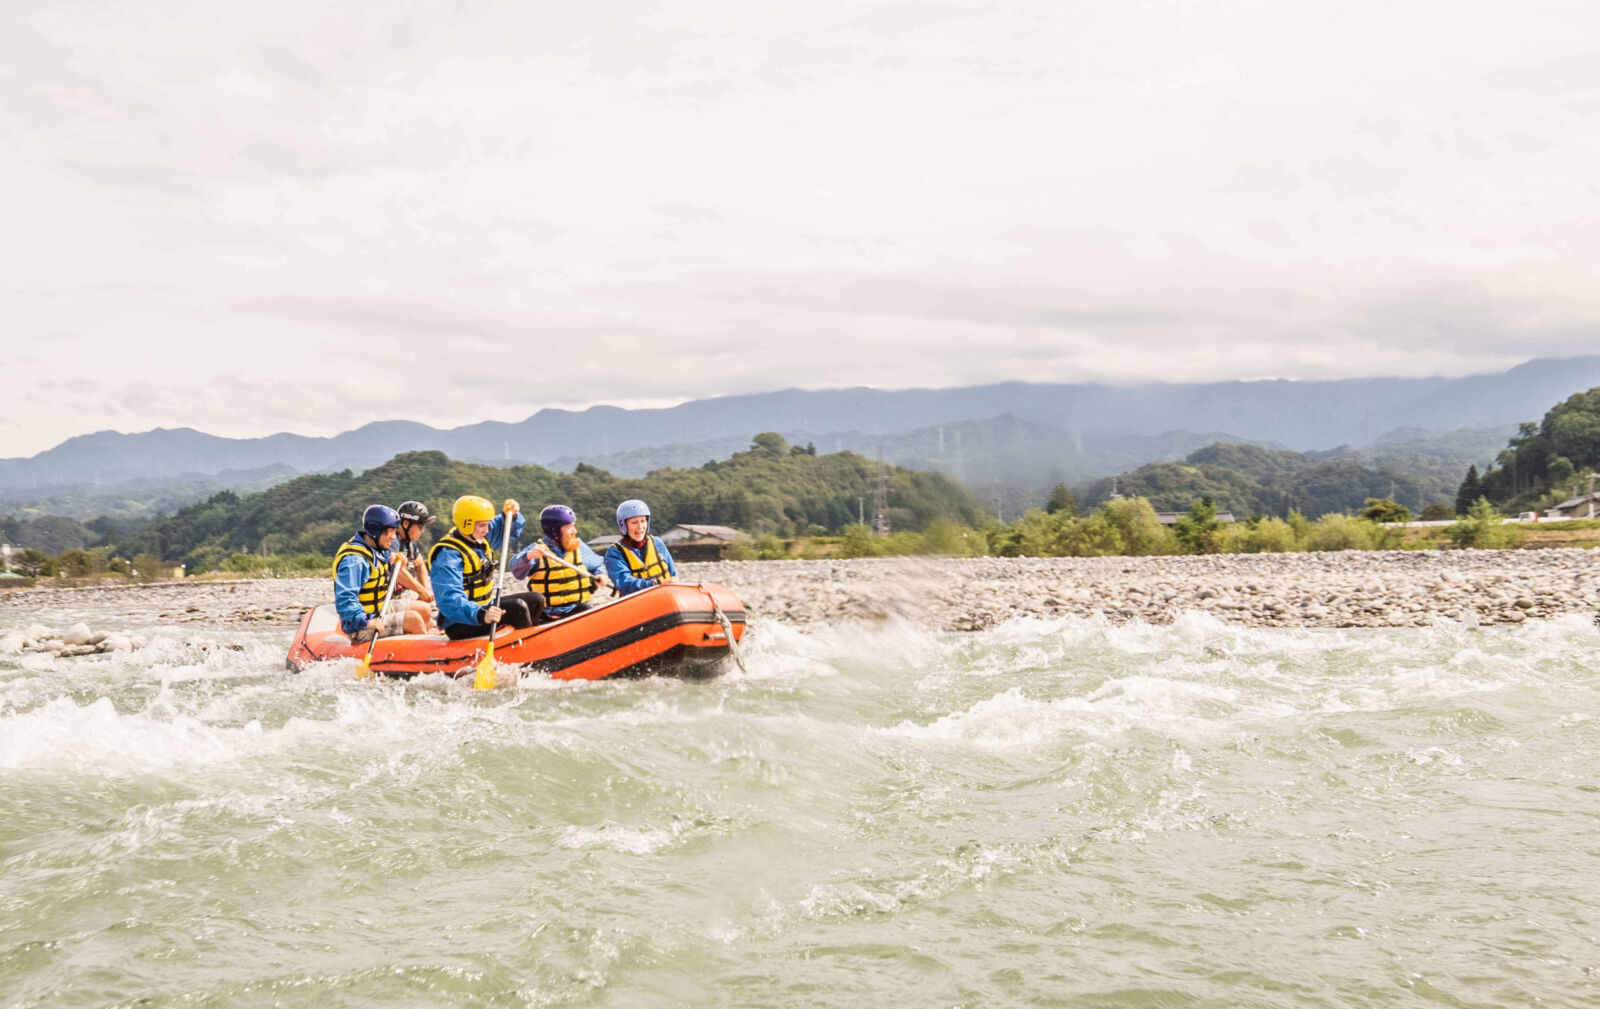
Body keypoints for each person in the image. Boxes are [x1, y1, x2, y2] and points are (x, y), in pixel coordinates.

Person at [428, 495, 542, 640]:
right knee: (517, 607)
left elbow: (504, 527)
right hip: (461, 622)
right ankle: (528, 650)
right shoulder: (448, 556)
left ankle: (531, 640)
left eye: (487, 524)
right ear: (466, 524)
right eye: (482, 525)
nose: (487, 530)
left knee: (536, 600)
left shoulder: (477, 537)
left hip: (484, 608)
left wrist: (511, 515)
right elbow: (449, 600)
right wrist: (481, 614)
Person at [333, 504, 427, 642]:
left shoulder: (377, 549)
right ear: (375, 531)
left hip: (379, 611)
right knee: (414, 619)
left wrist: (395, 558)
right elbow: (345, 598)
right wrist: (365, 622)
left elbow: (386, 559)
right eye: (390, 532)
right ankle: (426, 655)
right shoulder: (355, 561)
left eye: (395, 532)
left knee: (424, 609)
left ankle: (425, 638)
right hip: (361, 625)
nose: (393, 537)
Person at [510, 504, 613, 621]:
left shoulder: (579, 547)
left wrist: (600, 573)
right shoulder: (536, 549)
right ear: (555, 531)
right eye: (570, 527)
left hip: (577, 609)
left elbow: (596, 564)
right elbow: (515, 570)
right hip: (545, 614)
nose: (575, 530)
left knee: (585, 607)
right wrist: (527, 557)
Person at [603, 499, 678, 597]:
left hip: (666, 597)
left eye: (643, 521)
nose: (640, 527)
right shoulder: (614, 553)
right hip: (637, 603)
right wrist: (655, 583)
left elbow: (673, 575)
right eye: (634, 522)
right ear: (623, 525)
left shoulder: (657, 543)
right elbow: (624, 584)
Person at [392, 500, 437, 631]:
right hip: (386, 599)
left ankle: (429, 630)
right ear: (406, 524)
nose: (422, 531)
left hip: (401, 595)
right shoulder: (393, 540)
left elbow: (420, 564)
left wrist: (424, 591)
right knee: (424, 610)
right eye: (420, 526)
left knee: (427, 607)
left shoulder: (409, 544)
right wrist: (421, 591)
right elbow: (397, 571)